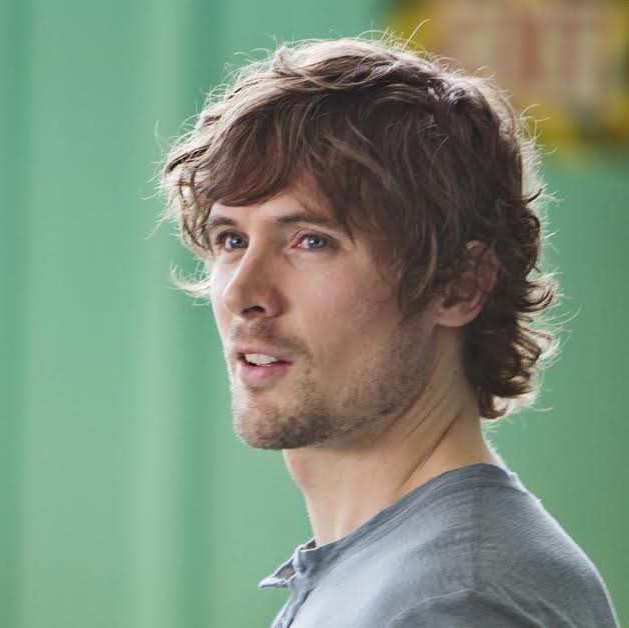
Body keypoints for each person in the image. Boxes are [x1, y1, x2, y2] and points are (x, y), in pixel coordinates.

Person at [157, 37, 620, 627]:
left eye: (312, 241)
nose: (241, 293)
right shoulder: (396, 577)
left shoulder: (456, 605)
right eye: (232, 239)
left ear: (459, 286)